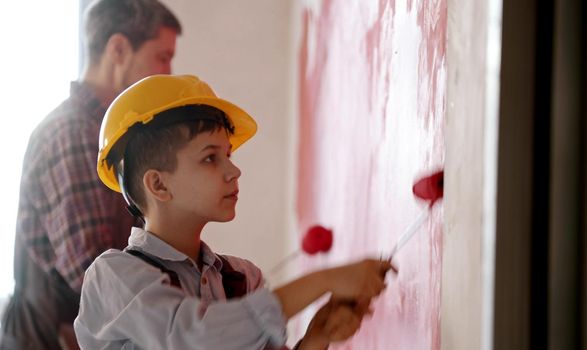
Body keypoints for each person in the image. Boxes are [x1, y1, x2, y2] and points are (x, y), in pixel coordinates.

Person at [74, 74, 395, 349]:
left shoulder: (241, 278)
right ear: (158, 185)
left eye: (229, 155)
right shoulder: (113, 277)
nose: (234, 171)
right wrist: (323, 280)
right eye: (211, 158)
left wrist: (317, 336)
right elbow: (194, 338)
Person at [0, 1, 182, 349]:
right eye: (162, 56)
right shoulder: (73, 135)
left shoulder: (104, 136)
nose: (167, 72)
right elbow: (94, 277)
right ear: (118, 49)